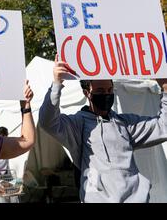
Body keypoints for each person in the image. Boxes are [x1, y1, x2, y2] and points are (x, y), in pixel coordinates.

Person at [39, 55, 167, 203]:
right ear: (87, 93)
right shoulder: (77, 124)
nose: (106, 95)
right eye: (100, 91)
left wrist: (165, 88)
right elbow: (47, 122)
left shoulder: (125, 123)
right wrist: (56, 83)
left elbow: (163, 126)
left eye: (109, 90)